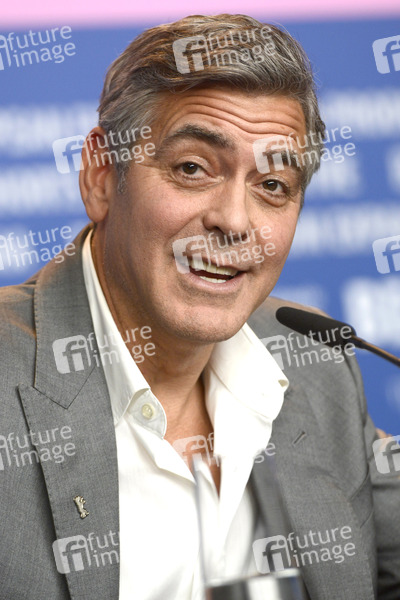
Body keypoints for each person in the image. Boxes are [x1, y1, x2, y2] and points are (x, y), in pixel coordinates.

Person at [0, 13, 399, 600]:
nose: (234, 221)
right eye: (192, 168)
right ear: (102, 176)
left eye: (272, 186)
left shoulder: (317, 368)